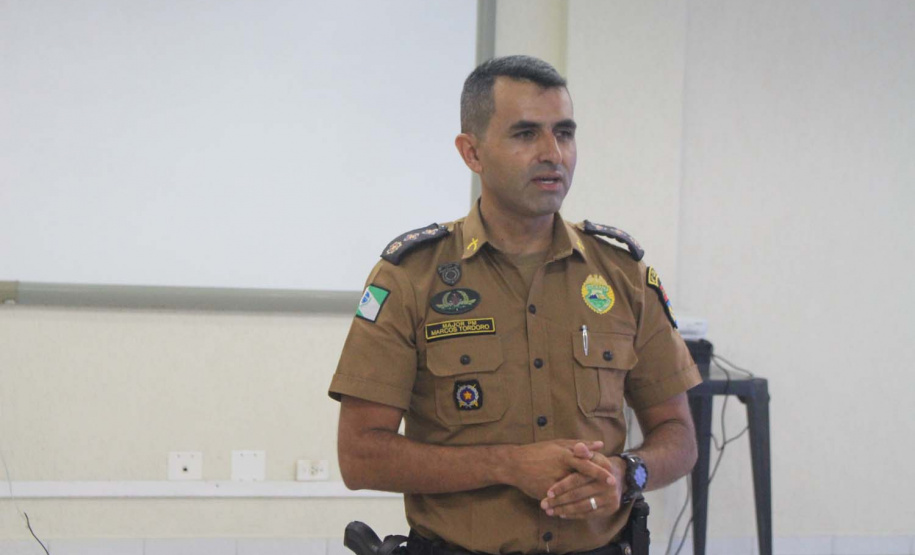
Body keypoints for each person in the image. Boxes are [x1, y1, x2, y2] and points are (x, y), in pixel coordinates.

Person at [328, 55, 701, 555]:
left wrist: (626, 472)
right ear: (472, 153)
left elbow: (679, 435)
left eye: (564, 133)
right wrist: (505, 465)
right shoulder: (409, 278)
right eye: (526, 134)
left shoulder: (623, 275)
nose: (553, 153)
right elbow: (360, 456)